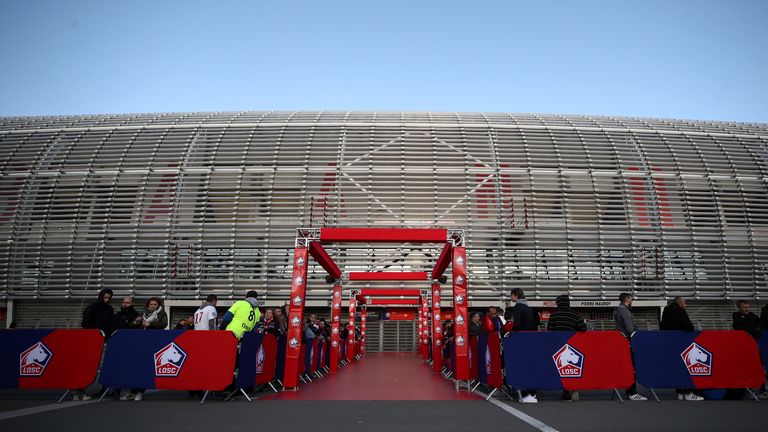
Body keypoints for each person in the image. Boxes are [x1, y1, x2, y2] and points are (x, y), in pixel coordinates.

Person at [122, 297, 167, 401]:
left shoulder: (162, 314)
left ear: (158, 306)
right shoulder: (142, 314)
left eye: (155, 304)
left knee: (146, 369)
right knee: (136, 368)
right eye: (151, 304)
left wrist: (150, 324)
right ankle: (132, 392)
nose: (153, 306)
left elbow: (164, 325)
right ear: (148, 305)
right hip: (139, 344)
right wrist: (135, 322)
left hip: (152, 344)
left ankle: (140, 392)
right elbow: (130, 326)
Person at [659, 297, 703, 401]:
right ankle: (687, 393)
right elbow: (689, 327)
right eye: (684, 303)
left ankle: (679, 392)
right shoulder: (680, 311)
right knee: (686, 367)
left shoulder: (666, 311)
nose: (686, 305)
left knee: (677, 367)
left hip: (670, 343)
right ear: (679, 303)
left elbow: (662, 326)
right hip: (682, 344)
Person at [75, 288, 114, 401]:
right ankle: (78, 391)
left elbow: (110, 325)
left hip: (101, 342)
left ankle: (80, 390)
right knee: (85, 366)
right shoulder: (91, 307)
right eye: (105, 297)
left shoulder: (109, 309)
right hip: (89, 341)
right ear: (100, 296)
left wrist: (105, 337)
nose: (106, 300)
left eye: (109, 298)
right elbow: (85, 323)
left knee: (94, 366)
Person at [546, 294, 586, 402]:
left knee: (563, 370)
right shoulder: (575, 315)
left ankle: (566, 392)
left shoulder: (554, 315)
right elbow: (584, 328)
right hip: (573, 345)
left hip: (559, 346)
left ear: (558, 303)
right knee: (574, 369)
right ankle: (574, 388)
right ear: (568, 303)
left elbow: (549, 331)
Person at [614, 292, 648, 401]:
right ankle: (632, 392)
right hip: (628, 342)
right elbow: (630, 329)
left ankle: (629, 392)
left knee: (628, 367)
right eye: (631, 299)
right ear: (627, 299)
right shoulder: (625, 311)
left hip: (622, 342)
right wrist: (638, 333)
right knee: (632, 368)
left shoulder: (618, 309)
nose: (632, 301)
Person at [510, 288, 539, 403]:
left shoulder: (517, 307)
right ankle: (532, 392)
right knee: (530, 366)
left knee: (521, 366)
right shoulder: (529, 308)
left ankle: (526, 393)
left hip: (521, 341)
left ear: (516, 295)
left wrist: (511, 332)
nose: (511, 298)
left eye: (511, 295)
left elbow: (517, 325)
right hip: (531, 340)